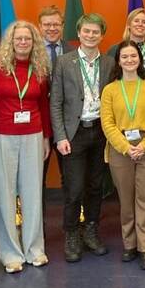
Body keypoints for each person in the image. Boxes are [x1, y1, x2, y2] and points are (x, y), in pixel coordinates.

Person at [0, 20, 52, 273]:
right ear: (10, 42)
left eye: (28, 39)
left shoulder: (40, 68)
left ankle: (35, 249)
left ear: (34, 42)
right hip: (2, 135)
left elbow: (44, 106)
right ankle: (10, 253)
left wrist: (46, 137)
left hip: (33, 134)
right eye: (18, 39)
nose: (23, 43)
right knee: (4, 193)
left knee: (33, 193)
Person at [50, 14, 115, 262]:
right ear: (78, 34)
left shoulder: (109, 63)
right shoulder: (64, 62)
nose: (90, 35)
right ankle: (71, 234)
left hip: (100, 131)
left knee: (96, 186)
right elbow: (55, 101)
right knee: (74, 188)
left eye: (95, 32)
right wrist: (60, 136)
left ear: (101, 35)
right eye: (86, 31)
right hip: (73, 134)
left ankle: (91, 230)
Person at [101, 41, 145, 269]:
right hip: (120, 149)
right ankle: (130, 244)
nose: (129, 60)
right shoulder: (110, 90)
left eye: (133, 56)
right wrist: (126, 147)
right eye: (124, 57)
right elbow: (107, 124)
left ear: (140, 59)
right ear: (118, 61)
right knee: (126, 200)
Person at [107, 8, 145, 237]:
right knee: (126, 189)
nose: (140, 25)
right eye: (136, 21)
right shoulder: (115, 50)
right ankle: (130, 238)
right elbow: (111, 86)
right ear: (129, 25)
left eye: (144, 21)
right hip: (122, 133)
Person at [38, 5, 72, 208]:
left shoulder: (73, 51)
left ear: (62, 26)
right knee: (36, 178)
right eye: (47, 24)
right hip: (38, 123)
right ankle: (36, 228)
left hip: (66, 124)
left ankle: (74, 223)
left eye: (56, 24)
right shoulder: (29, 51)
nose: (52, 28)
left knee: (69, 176)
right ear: (39, 26)